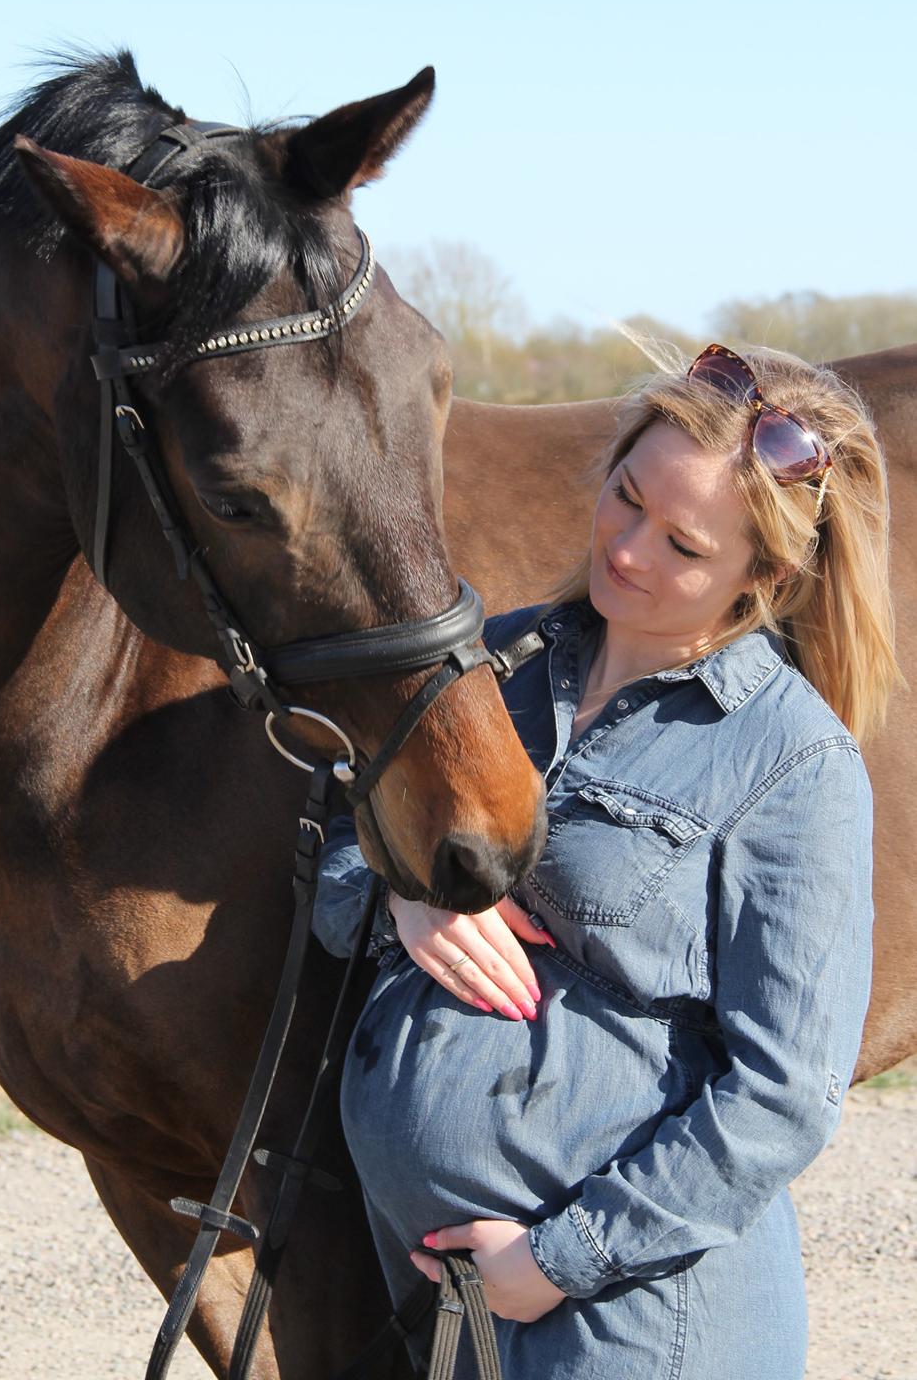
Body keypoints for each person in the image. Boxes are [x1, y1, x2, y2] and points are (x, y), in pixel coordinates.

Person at [312, 341, 901, 1380]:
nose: (626, 550)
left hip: (635, 1322)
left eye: (680, 543)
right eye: (624, 497)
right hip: (451, 1305)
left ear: (759, 576)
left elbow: (784, 1094)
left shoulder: (791, 760)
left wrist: (554, 1261)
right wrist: (406, 892)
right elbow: (328, 851)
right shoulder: (488, 666)